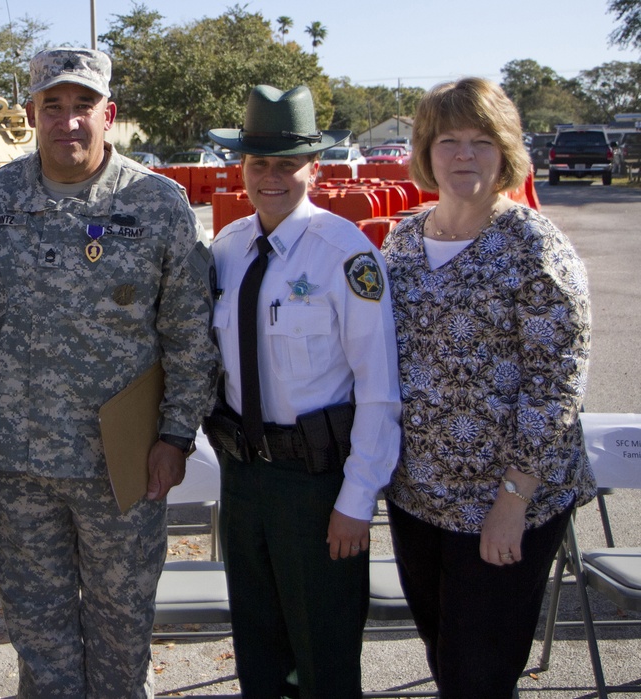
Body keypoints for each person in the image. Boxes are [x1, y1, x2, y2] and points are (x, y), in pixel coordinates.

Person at [0, 48, 218, 698]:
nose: (68, 121)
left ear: (109, 113)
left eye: (83, 106)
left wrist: (176, 436)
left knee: (121, 651)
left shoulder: (157, 205)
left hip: (121, 473)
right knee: (43, 655)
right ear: (32, 114)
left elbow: (189, 334)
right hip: (19, 476)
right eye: (53, 106)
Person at [380, 77, 596, 699]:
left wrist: (513, 500)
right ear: (426, 150)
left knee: (479, 674)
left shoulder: (533, 244)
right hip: (418, 495)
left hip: (504, 503)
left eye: (481, 140)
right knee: (445, 656)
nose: (464, 156)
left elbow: (557, 383)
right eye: (448, 140)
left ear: (506, 152)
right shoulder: (403, 239)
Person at [204, 85, 402, 698]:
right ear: (241, 167)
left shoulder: (347, 255)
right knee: (257, 651)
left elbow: (378, 388)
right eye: (258, 162)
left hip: (318, 486)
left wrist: (357, 498)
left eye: (287, 164)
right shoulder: (228, 249)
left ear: (313, 168)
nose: (271, 177)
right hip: (244, 480)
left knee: (324, 654)